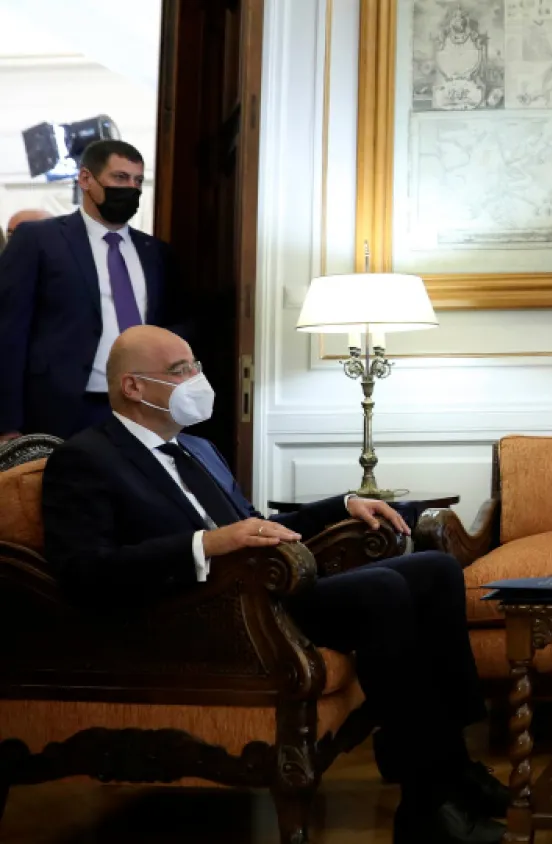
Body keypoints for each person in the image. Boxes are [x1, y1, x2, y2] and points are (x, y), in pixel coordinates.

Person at [41, 325, 507, 844]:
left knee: (437, 570)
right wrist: (205, 544)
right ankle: (426, 801)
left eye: (196, 365)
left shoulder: (197, 448)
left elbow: (255, 523)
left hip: (261, 595)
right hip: (203, 613)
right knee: (384, 591)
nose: (198, 378)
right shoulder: (84, 459)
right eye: (181, 370)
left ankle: (454, 765)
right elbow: (84, 572)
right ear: (134, 387)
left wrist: (343, 505)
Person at [0, 141, 191, 443]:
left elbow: (175, 324)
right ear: (86, 179)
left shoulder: (155, 253)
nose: (131, 187)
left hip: (142, 407)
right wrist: (7, 424)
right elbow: (9, 332)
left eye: (137, 180)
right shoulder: (39, 240)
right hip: (62, 410)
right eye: (120, 177)